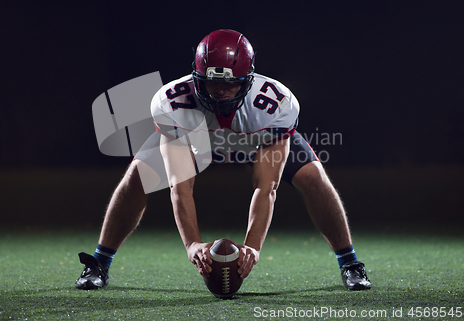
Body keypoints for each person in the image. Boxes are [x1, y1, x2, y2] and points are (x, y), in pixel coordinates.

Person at [75, 29, 371, 291]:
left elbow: (265, 187)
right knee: (137, 178)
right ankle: (100, 262)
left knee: (313, 178)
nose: (221, 92)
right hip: (195, 138)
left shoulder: (273, 105)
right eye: (213, 83)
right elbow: (181, 188)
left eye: (231, 84)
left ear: (249, 79)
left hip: (254, 137)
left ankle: (350, 263)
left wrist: (252, 247)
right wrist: (192, 244)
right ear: (197, 77)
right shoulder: (173, 104)